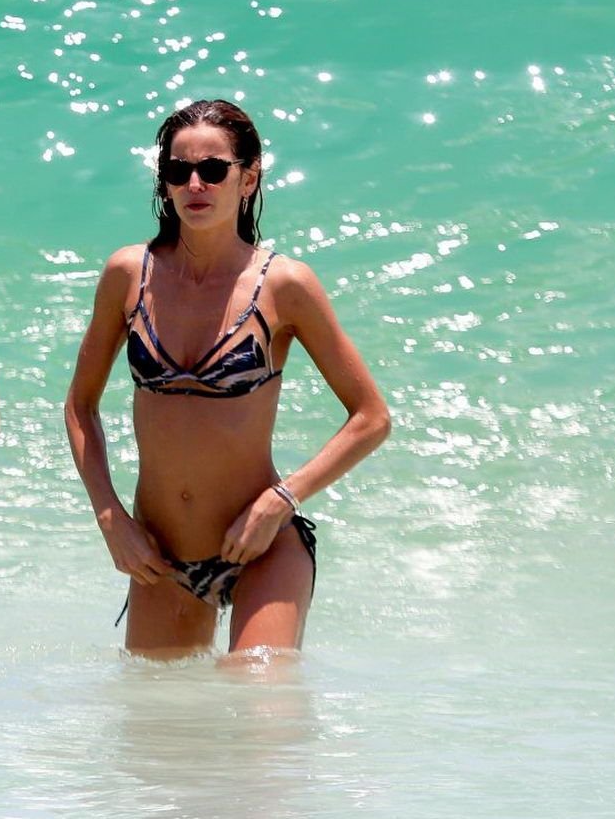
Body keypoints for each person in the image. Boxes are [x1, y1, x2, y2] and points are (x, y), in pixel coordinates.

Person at [65, 99, 390, 660]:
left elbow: (371, 418)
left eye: (213, 169)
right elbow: (80, 406)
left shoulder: (285, 285)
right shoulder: (128, 275)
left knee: (255, 696)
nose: (195, 184)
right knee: (156, 712)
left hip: (261, 546)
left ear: (249, 178)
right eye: (178, 171)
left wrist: (282, 500)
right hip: (161, 555)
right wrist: (110, 517)